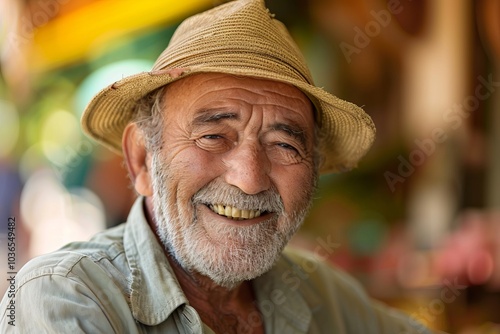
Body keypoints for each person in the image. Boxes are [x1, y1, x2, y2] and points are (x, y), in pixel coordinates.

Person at [0, 0, 432, 333]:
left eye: (284, 144)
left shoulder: (322, 295)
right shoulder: (65, 296)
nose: (248, 179)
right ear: (142, 160)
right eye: (212, 136)